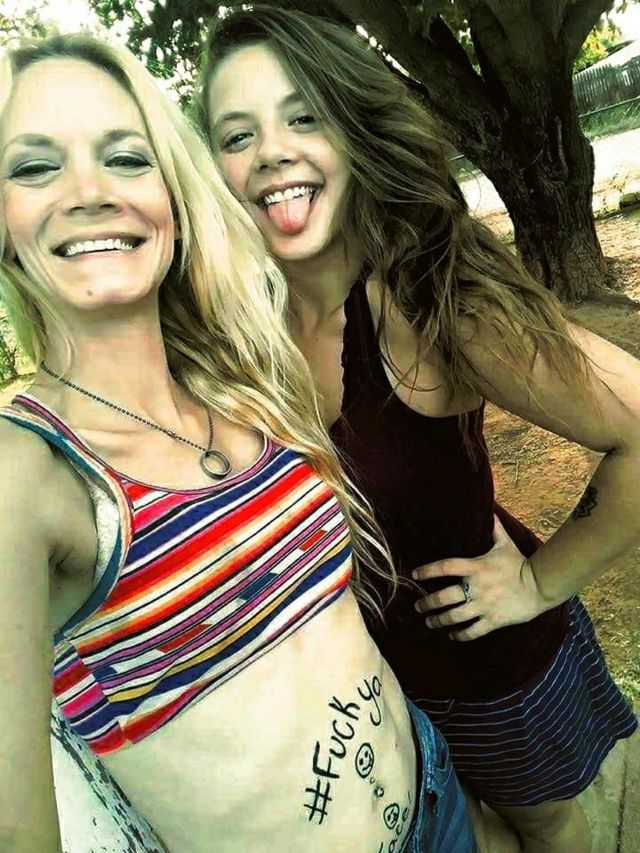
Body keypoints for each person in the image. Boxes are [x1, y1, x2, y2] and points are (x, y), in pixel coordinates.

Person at [0, 31, 481, 853]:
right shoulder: (27, 474)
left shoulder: (246, 379)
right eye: (35, 166)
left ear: (173, 198)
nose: (89, 191)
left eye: (126, 158)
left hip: (436, 797)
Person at [199, 6, 640, 852]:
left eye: (303, 116)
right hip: (371, 685)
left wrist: (539, 582)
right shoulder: (248, 328)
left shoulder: (431, 297)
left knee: (543, 825)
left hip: (491, 674)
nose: (272, 152)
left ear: (352, 127)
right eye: (237, 135)